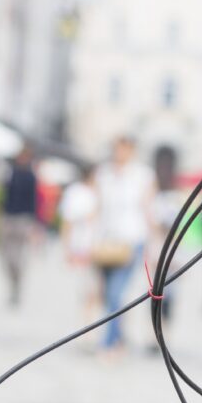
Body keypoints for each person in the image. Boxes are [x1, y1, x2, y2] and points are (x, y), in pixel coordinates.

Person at [91, 136, 155, 353]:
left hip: (132, 238)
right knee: (108, 293)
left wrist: (152, 244)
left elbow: (148, 209)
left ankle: (108, 342)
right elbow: (98, 207)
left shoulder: (142, 175)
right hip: (106, 240)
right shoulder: (104, 174)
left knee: (117, 293)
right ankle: (118, 338)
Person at [0, 143, 41, 307]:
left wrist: (34, 225)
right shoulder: (11, 174)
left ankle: (17, 287)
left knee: (19, 258)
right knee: (6, 257)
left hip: (24, 220)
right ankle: (13, 283)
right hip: (9, 218)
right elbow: (5, 196)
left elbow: (34, 202)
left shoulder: (31, 177)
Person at [59, 167, 100, 323]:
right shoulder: (77, 193)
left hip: (96, 247)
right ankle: (87, 323)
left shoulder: (96, 192)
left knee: (94, 289)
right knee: (88, 289)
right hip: (82, 247)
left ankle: (90, 323)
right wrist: (67, 247)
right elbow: (68, 221)